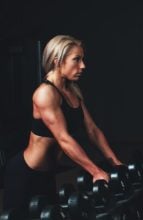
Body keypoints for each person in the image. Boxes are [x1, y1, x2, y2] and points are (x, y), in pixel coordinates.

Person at [2, 35, 123, 212]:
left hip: (48, 175)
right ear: (58, 60)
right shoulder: (45, 94)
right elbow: (63, 139)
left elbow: (92, 130)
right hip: (25, 174)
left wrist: (116, 163)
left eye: (82, 59)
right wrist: (95, 171)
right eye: (77, 59)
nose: (83, 66)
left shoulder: (72, 90)